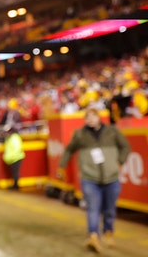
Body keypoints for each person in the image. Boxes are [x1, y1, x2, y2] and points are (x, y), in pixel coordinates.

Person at [58, 108, 131, 253]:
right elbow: (69, 150)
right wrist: (61, 166)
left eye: (93, 117)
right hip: (89, 178)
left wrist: (119, 162)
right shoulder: (80, 134)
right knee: (93, 207)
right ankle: (93, 236)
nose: (90, 120)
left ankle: (108, 232)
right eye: (87, 117)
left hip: (111, 178)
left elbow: (125, 147)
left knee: (109, 209)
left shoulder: (112, 131)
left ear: (99, 118)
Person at [2, 124, 25, 191]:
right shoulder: (9, 138)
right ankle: (14, 185)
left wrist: (10, 157)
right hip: (11, 159)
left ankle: (16, 185)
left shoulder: (15, 138)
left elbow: (16, 148)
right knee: (13, 172)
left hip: (16, 158)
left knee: (15, 172)